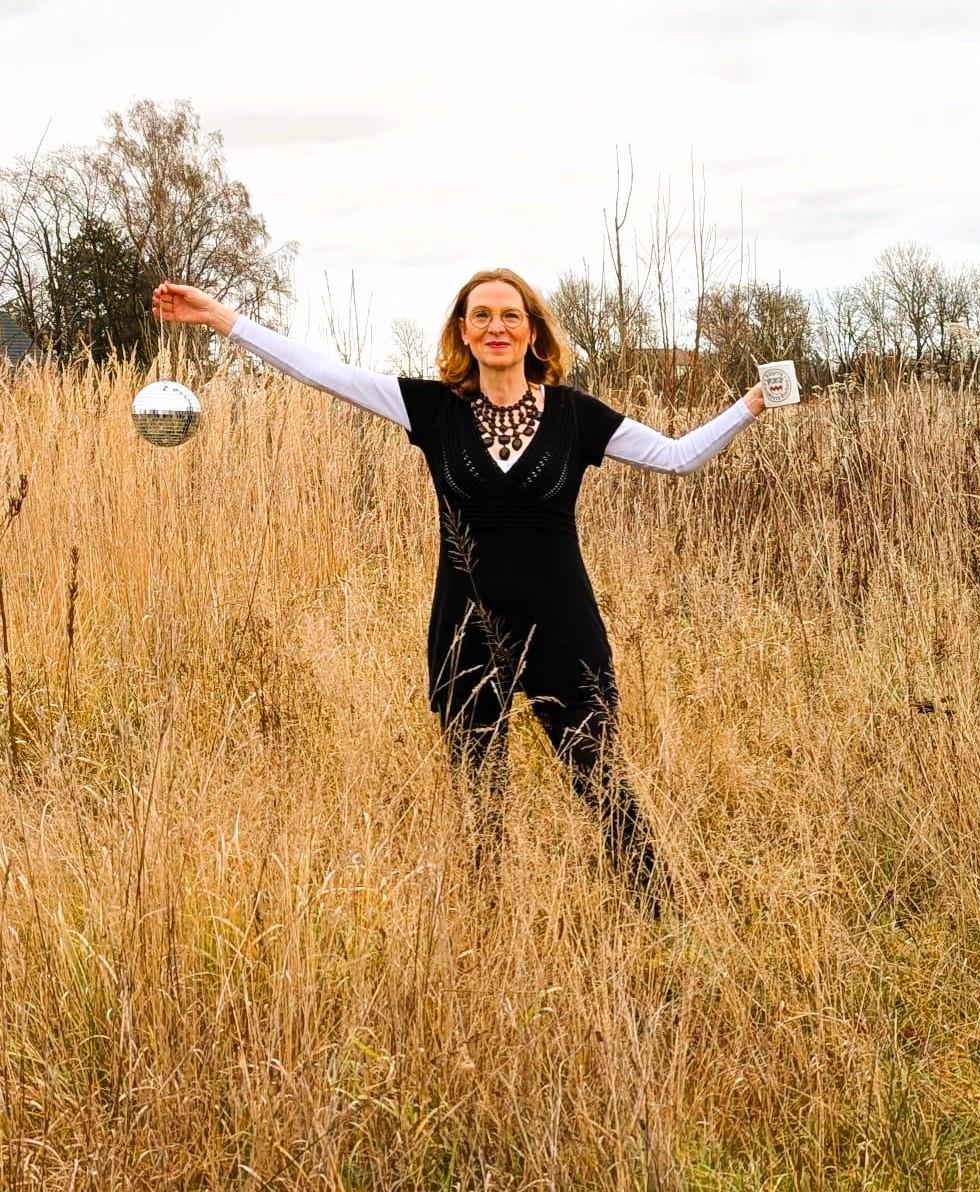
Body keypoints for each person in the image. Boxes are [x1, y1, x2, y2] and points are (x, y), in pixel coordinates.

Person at [152, 270, 769, 918]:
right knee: (480, 803)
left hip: (563, 631)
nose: (496, 326)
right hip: (466, 634)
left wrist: (751, 403)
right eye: (481, 316)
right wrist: (221, 318)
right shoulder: (433, 408)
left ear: (532, 332)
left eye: (510, 315)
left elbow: (678, 457)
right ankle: (487, 928)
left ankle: (666, 923)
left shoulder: (575, 416)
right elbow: (323, 373)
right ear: (463, 333)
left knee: (604, 786)